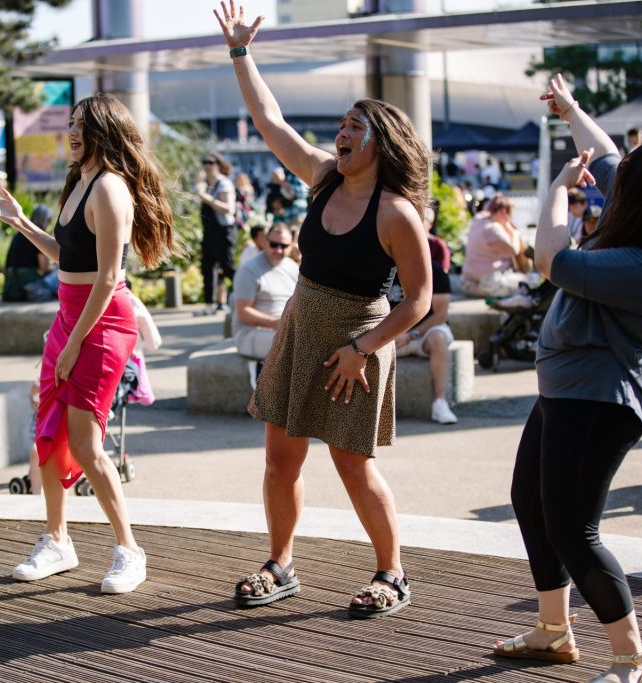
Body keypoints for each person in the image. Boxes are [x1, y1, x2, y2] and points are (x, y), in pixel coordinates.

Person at [214, 1, 432, 618]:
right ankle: (280, 564)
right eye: (343, 123)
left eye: (357, 127)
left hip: (356, 340)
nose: (343, 133)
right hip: (302, 324)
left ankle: (392, 573)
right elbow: (269, 118)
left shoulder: (396, 213)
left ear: (382, 142)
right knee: (279, 458)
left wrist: (361, 350)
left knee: (351, 463)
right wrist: (240, 52)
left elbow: (415, 300)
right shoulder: (323, 177)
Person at [492, 74, 642, 683]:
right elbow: (608, 156)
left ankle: (633, 661)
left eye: (633, 172)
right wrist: (571, 110)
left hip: (599, 401)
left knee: (573, 529)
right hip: (566, 392)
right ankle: (554, 631)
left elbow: (550, 258)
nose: (621, 170)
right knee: (530, 504)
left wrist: (559, 186)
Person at [0, 92, 176, 595]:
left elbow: (109, 277)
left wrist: (72, 343)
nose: (71, 132)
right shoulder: (79, 181)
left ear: (103, 131)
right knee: (47, 434)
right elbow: (68, 257)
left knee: (86, 444)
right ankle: (57, 541)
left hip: (103, 323)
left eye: (81, 125)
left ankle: (130, 550)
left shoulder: (110, 188)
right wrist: (20, 224)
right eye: (70, 122)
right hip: (71, 318)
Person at [391, 239, 458, 425]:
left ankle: (440, 402)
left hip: (422, 333)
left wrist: (412, 334)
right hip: (390, 333)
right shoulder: (382, 269)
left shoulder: (434, 270)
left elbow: (441, 314)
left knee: (439, 339)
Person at [232, 224, 299, 362]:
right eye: (274, 244)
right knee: (298, 346)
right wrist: (276, 323)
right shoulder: (249, 270)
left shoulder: (292, 267)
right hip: (250, 332)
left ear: (291, 246)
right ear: (265, 242)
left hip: (285, 329)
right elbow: (243, 312)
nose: (278, 250)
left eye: (284, 245)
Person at [461, 194, 533, 298]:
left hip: (468, 281)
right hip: (487, 282)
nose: (510, 218)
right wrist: (514, 232)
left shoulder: (479, 218)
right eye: (510, 214)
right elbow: (514, 250)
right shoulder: (493, 229)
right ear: (504, 212)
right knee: (532, 282)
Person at [195, 152, 237, 316]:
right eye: (205, 162)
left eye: (211, 162)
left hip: (223, 230)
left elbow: (229, 208)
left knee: (227, 266)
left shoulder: (224, 184)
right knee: (207, 267)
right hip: (209, 232)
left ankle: (244, 295)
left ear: (218, 165)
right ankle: (209, 304)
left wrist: (206, 198)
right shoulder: (206, 184)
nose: (207, 165)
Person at [3, 204, 54, 301]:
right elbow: (44, 268)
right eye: (49, 220)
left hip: (12, 286)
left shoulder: (21, 233)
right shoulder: (40, 236)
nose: (50, 224)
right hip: (27, 286)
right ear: (45, 219)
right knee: (60, 272)